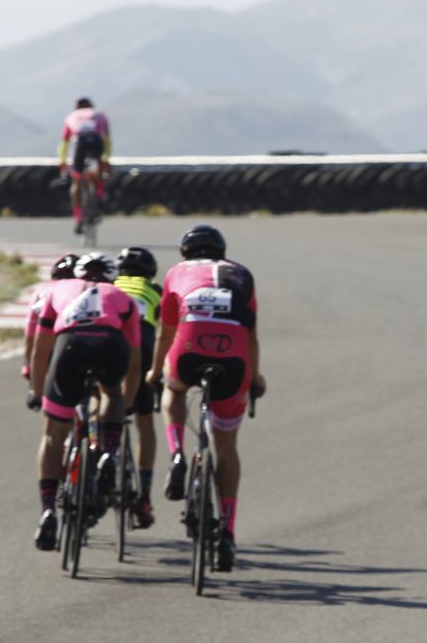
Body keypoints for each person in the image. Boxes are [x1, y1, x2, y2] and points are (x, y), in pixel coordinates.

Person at [148, 223, 266, 572]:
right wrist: (255, 379)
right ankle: (227, 532)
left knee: (174, 388)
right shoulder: (242, 274)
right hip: (233, 356)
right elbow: (251, 336)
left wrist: (155, 373)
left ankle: (176, 455)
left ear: (186, 254)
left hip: (189, 348)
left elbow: (166, 335)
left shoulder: (175, 273)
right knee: (226, 446)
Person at [29, 252, 141, 550]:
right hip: (110, 345)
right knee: (111, 392)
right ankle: (110, 451)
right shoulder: (122, 296)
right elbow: (135, 361)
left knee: (53, 438)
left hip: (70, 347)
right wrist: (125, 404)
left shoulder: (57, 290)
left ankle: (49, 509)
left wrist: (38, 393)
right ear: (112, 278)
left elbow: (41, 352)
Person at [113, 246, 163, 528]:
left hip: (107, 340)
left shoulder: (109, 286)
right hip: (141, 346)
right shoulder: (154, 289)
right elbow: (166, 330)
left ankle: (97, 448)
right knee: (145, 423)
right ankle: (143, 495)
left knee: (102, 402)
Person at [23, 253, 78, 402]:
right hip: (78, 342)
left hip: (48, 345)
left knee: (53, 400)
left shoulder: (42, 290)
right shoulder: (82, 288)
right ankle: (93, 423)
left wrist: (28, 364)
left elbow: (30, 333)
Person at [57, 98, 112, 234]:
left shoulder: (71, 116)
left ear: (76, 107)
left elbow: (64, 143)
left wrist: (62, 162)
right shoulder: (99, 115)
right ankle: (99, 196)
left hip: (80, 143)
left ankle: (78, 217)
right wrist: (105, 160)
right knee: (99, 174)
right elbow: (107, 140)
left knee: (77, 180)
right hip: (96, 142)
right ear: (91, 106)